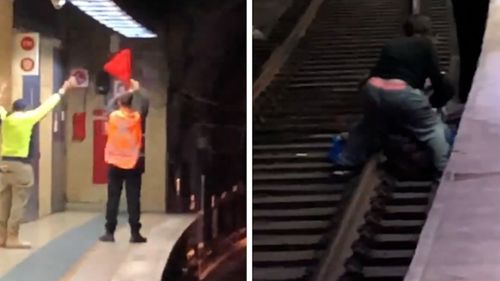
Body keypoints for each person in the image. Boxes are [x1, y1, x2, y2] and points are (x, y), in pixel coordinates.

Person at [332, 15, 452, 176]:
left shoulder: (391, 44)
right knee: (432, 128)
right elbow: (437, 79)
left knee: (367, 125)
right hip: (400, 92)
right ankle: (444, 169)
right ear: (428, 32)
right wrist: (437, 101)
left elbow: (374, 73)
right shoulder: (425, 44)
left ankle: (346, 162)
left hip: (372, 88)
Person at [0, 76, 77, 249]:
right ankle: (12, 237)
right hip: (21, 166)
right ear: (25, 109)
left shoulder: (5, 119)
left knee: (3, 201)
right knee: (18, 203)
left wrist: (2, 90)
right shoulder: (28, 118)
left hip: (3, 165)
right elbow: (47, 106)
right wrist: (63, 89)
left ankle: (1, 236)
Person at [99, 79, 149, 243]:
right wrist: (137, 89)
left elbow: (109, 104)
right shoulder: (137, 118)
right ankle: (135, 233)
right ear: (132, 102)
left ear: (120, 102)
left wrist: (120, 94)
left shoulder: (113, 116)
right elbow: (146, 103)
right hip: (134, 163)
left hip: (115, 163)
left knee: (113, 197)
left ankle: (109, 232)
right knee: (133, 198)